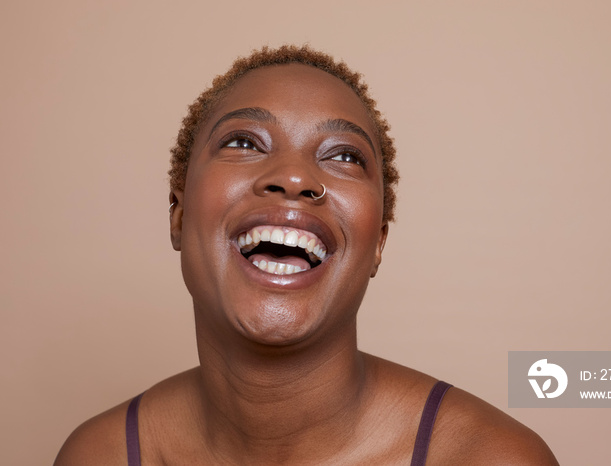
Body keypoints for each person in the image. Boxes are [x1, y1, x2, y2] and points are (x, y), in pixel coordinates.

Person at [55, 45, 558, 465]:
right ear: (178, 215)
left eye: (343, 155)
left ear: (378, 242)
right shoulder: (100, 454)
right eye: (244, 142)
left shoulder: (490, 458)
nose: (293, 177)